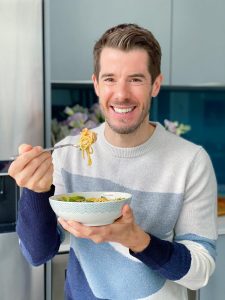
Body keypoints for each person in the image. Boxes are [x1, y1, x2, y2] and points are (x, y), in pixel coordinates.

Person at [8, 23, 217, 300]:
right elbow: (37, 254)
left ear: (155, 84)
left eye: (135, 79)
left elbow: (201, 271)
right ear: (95, 84)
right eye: (110, 79)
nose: (120, 94)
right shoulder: (68, 154)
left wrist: (137, 240)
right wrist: (35, 192)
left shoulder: (191, 161)